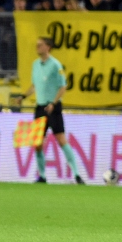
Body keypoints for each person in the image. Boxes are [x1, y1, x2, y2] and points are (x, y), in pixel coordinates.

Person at [16, 37, 84, 185]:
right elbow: (34, 85)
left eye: (40, 45)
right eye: (37, 45)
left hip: (52, 107)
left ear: (48, 47)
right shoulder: (35, 65)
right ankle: (42, 176)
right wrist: (23, 96)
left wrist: (53, 103)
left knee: (61, 139)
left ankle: (77, 174)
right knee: (38, 143)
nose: (37, 47)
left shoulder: (55, 65)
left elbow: (63, 86)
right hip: (40, 107)